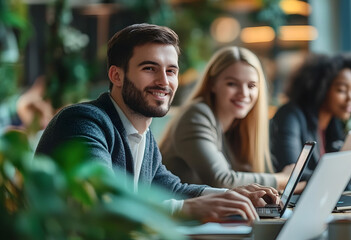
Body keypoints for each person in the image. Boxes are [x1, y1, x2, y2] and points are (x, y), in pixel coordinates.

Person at [35, 23, 279, 223]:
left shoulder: (142, 134)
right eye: (150, 68)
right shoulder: (82, 121)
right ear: (116, 75)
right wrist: (189, 209)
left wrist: (231, 195)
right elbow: (102, 200)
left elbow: (171, 188)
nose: (164, 81)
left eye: (171, 71)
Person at [160, 46, 294, 191]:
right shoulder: (196, 116)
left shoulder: (234, 125)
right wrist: (283, 179)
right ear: (212, 84)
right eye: (232, 84)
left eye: (251, 86)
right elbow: (222, 180)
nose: (244, 93)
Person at [270, 53, 351, 181]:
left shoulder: (332, 123)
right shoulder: (290, 116)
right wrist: (349, 174)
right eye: (342, 90)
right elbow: (292, 175)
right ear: (321, 88)